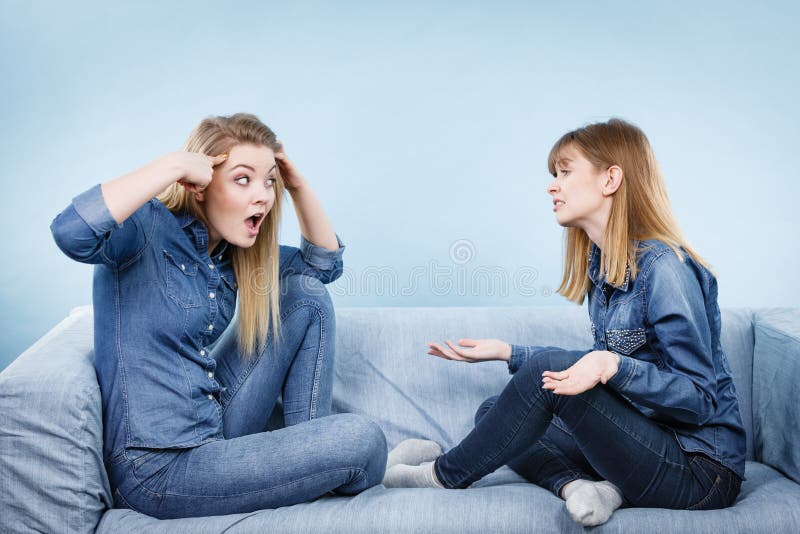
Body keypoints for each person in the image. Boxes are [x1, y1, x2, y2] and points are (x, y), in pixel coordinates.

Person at [382, 118, 746, 527]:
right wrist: (508, 352)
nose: (551, 186)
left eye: (565, 172)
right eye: (553, 175)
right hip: (649, 446)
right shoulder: (604, 268)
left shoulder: (665, 269)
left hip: (700, 471)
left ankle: (443, 476)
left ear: (610, 179)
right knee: (495, 411)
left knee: (540, 378)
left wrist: (613, 365)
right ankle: (580, 487)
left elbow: (700, 398)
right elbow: (594, 369)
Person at [51, 113, 387, 519]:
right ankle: (321, 467)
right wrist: (172, 166)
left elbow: (323, 267)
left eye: (269, 181)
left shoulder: (231, 257)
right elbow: (71, 232)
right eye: (243, 179)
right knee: (363, 438)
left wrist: (297, 186)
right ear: (200, 185)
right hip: (158, 469)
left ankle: (310, 463)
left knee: (305, 295)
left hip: (213, 430)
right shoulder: (145, 229)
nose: (262, 195)